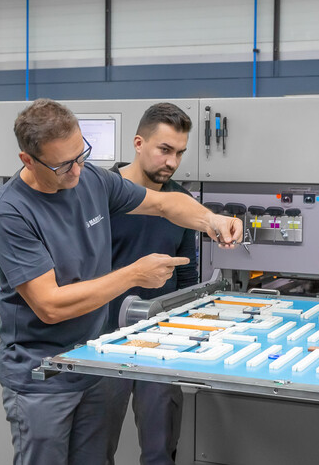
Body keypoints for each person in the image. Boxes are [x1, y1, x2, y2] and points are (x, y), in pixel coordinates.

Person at [0, 98, 242, 465]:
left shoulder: (90, 180)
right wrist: (133, 275)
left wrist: (211, 221)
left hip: (94, 363)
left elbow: (166, 205)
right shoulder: (12, 213)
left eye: (81, 154)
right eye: (63, 164)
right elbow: (50, 304)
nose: (76, 171)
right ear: (28, 160)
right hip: (43, 376)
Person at [103, 103, 198, 465]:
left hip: (161, 344)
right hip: (103, 343)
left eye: (179, 153)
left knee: (160, 452)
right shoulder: (103, 196)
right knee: (95, 450)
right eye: (164, 150)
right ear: (138, 143)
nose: (172, 162)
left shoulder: (182, 202)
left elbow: (186, 275)